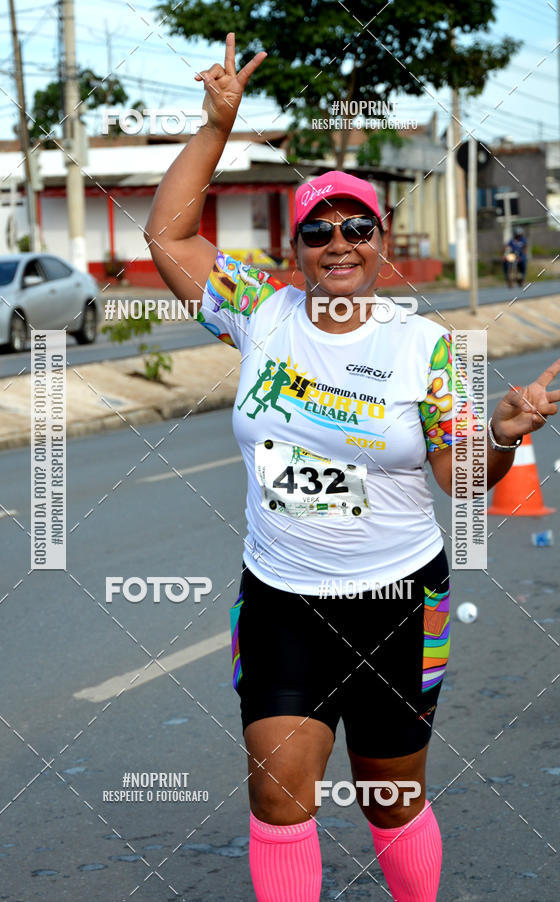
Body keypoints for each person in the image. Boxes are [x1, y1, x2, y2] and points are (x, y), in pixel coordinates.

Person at [144, 33, 560, 901]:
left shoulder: (427, 350)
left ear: (380, 242)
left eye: (356, 227)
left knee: (390, 795)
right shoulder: (262, 310)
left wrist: (505, 432)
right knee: (279, 789)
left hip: (399, 599)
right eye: (318, 229)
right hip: (283, 598)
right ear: (297, 249)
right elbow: (167, 231)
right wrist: (216, 126)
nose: (338, 241)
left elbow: (463, 482)